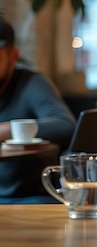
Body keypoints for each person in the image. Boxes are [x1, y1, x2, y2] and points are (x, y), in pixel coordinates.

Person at [0, 17, 76, 201]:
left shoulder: (30, 83)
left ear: (13, 57)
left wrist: (8, 130)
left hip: (27, 196)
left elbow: (65, 124)